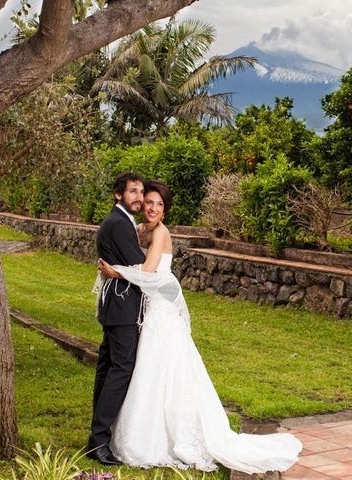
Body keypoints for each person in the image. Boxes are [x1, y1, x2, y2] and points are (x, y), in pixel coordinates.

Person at [97, 180, 302, 474]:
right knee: (147, 370)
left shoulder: (161, 234)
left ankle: (167, 437)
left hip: (161, 313)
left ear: (165, 212)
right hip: (148, 308)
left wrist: (114, 272)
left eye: (158, 205)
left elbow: (149, 273)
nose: (151, 207)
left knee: (163, 371)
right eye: (148, 201)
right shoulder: (139, 230)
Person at [87, 172, 146, 465]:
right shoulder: (119, 224)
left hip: (115, 305)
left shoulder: (120, 222)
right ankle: (99, 440)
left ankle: (97, 436)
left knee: (108, 367)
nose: (138, 197)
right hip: (123, 307)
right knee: (120, 369)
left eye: (141, 192)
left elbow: (129, 263)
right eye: (133, 191)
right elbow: (139, 265)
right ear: (117, 194)